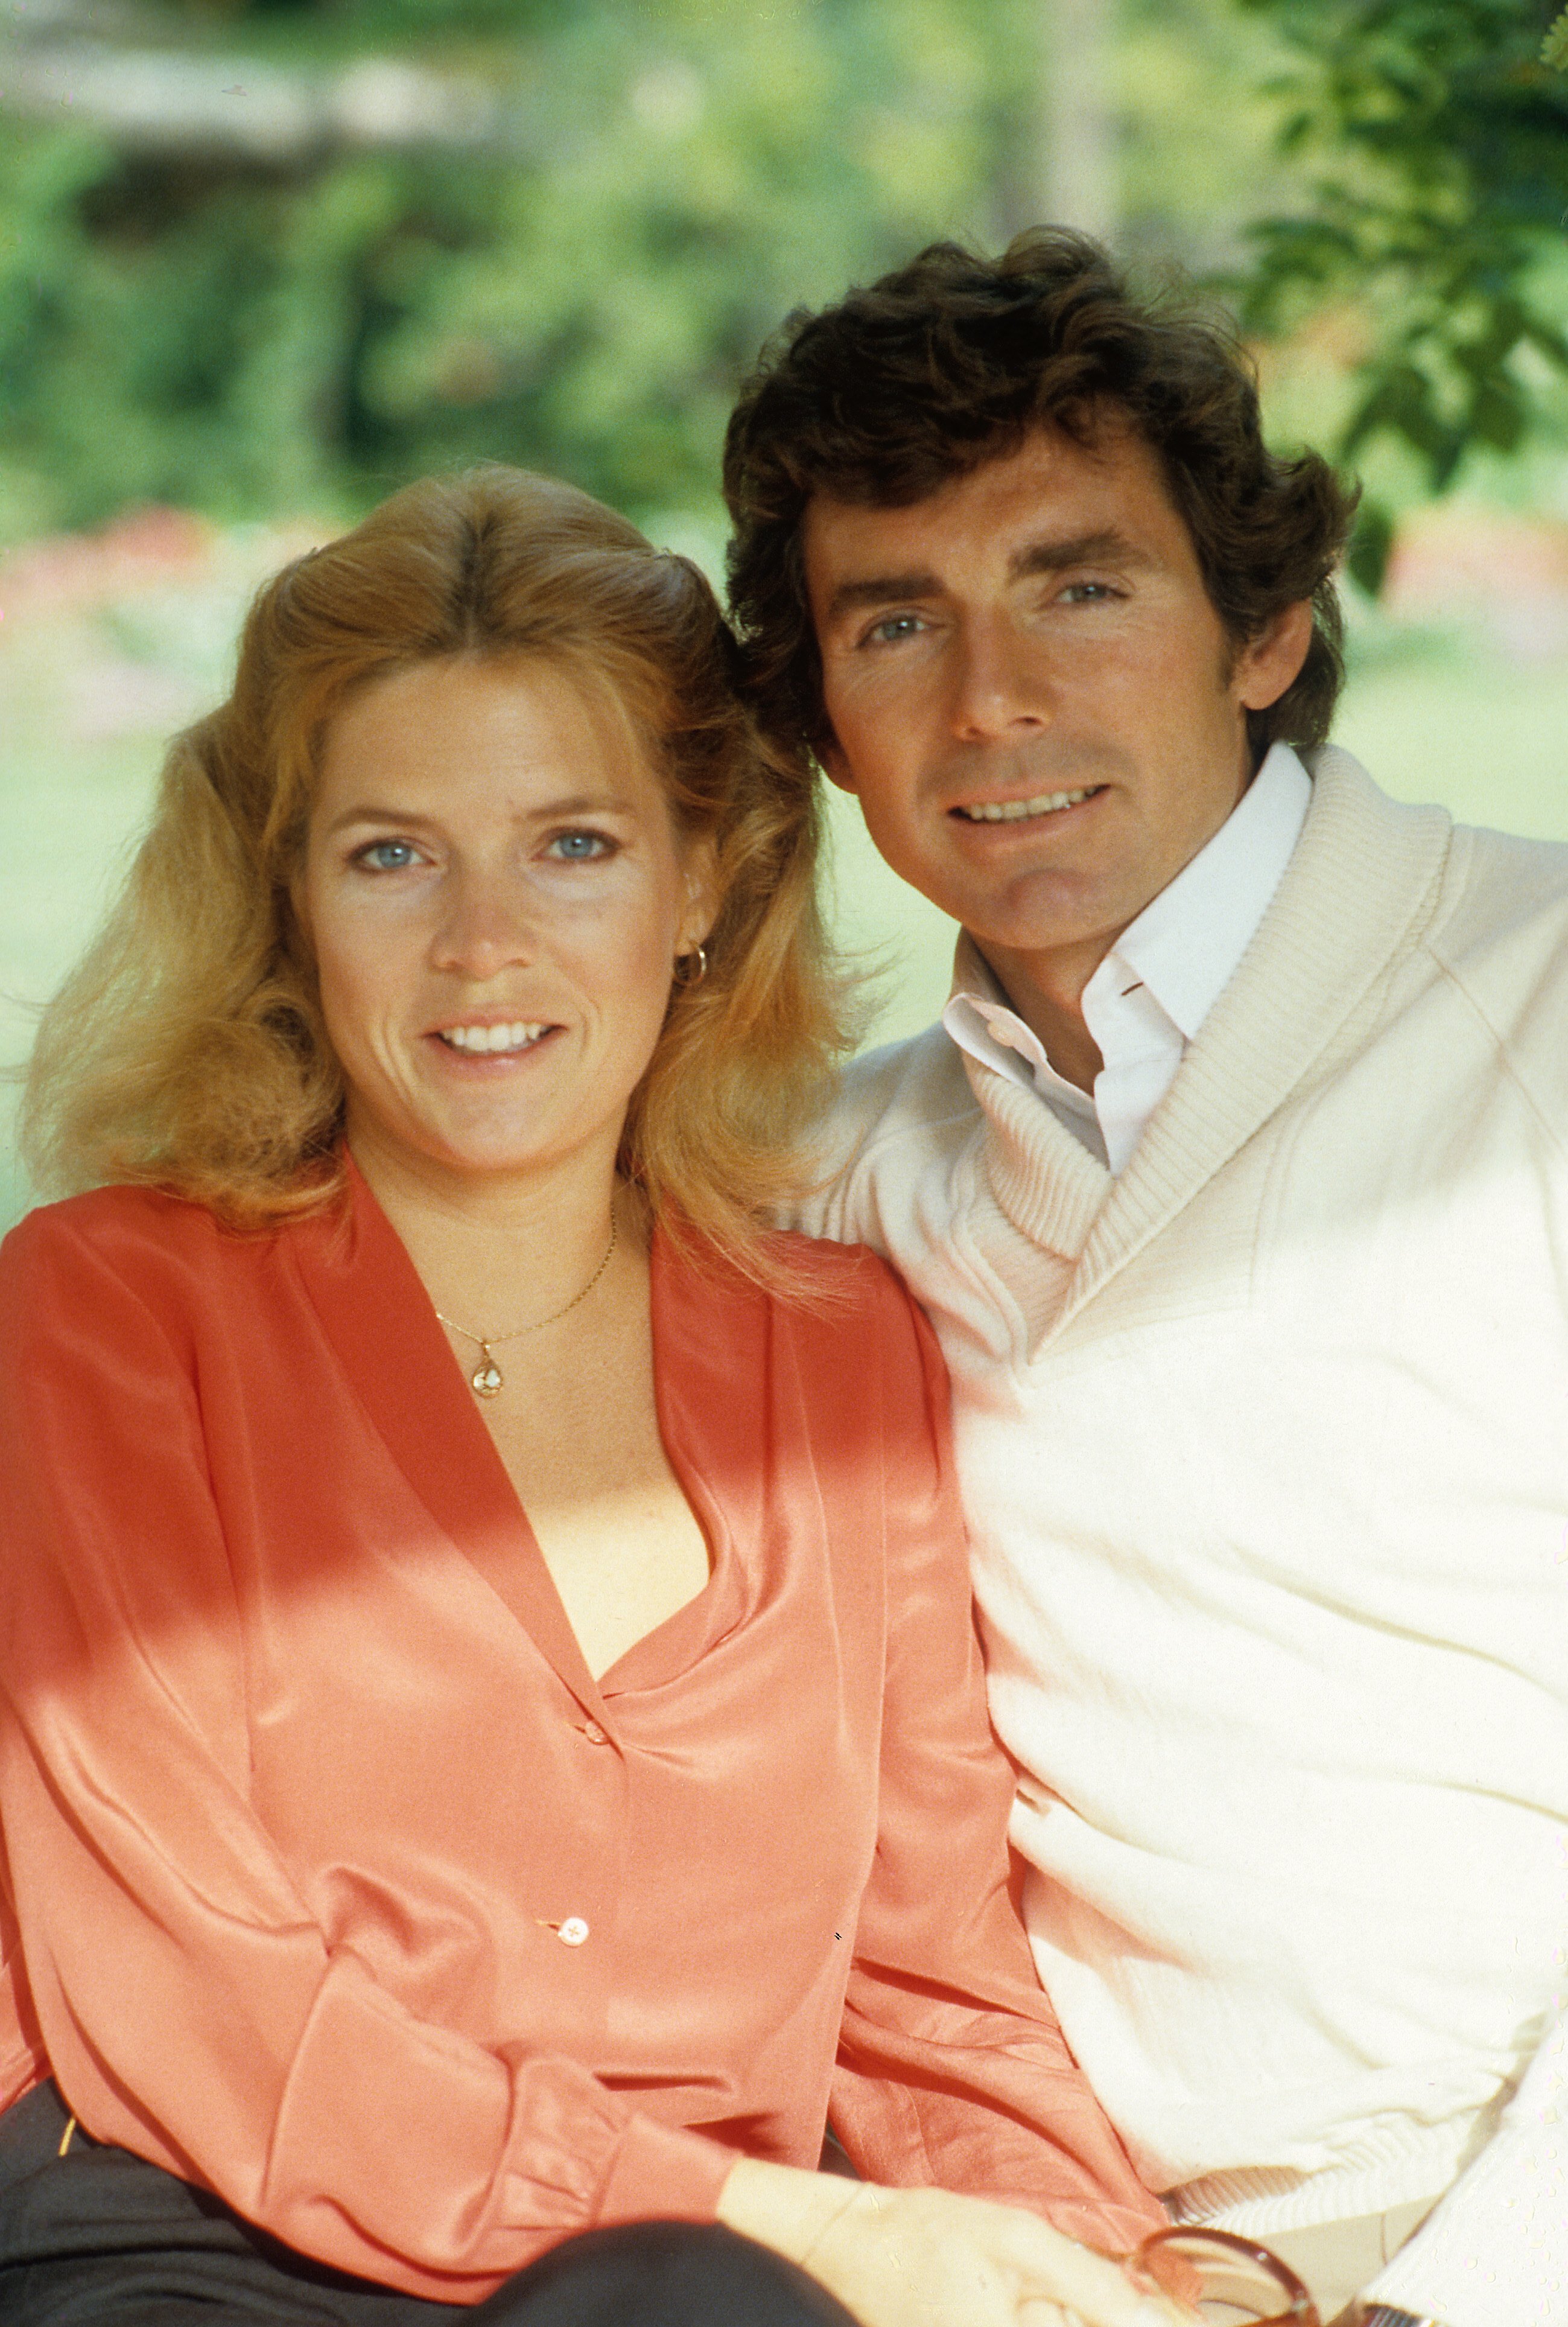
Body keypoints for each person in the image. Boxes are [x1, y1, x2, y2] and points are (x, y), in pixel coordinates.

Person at [0, 467, 1184, 2327]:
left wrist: (1124, 2280)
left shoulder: (839, 1345)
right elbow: (195, 1996)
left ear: (704, 875)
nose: (484, 945)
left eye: (574, 847)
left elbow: (931, 1993)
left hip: (693, 2283)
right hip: (197, 2240)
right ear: (288, 899)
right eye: (392, 855)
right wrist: (812, 2233)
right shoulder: (104, 1312)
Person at [722, 233, 1568, 2327]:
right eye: (895, 622)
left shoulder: (1539, 1012)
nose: (991, 701)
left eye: (1080, 588)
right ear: (823, 722)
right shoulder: (826, 1180)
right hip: (1090, 2262)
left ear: (1267, 627)